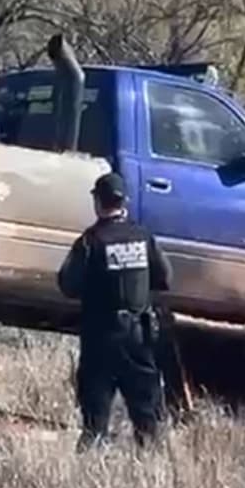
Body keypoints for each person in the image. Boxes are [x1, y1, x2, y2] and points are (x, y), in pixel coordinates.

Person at [57, 172, 173, 449]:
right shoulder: (143, 238)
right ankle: (153, 474)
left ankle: (89, 470)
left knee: (95, 420)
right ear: (125, 202)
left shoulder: (90, 240)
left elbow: (67, 284)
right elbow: (166, 278)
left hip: (101, 338)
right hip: (138, 338)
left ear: (98, 202)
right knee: (148, 420)